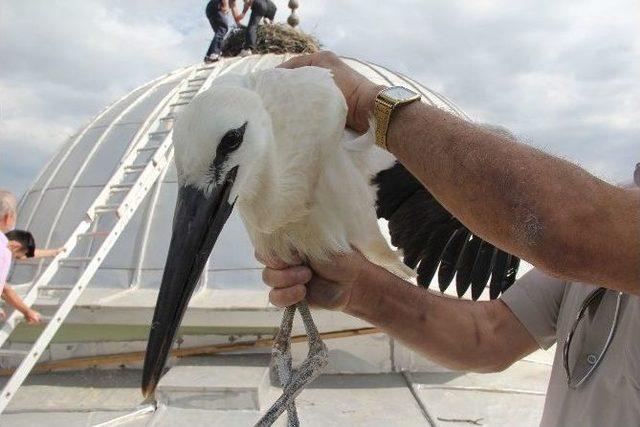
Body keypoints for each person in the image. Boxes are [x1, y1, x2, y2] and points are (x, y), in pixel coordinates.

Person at [258, 52, 640, 426]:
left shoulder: (596, 233)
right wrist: (356, 286)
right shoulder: (610, 230)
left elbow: (568, 228)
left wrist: (368, 105)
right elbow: (487, 337)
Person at [0, 190, 40, 324]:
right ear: (8, 217)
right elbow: (3, 289)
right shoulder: (3, 248)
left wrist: (26, 311)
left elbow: (4, 288)